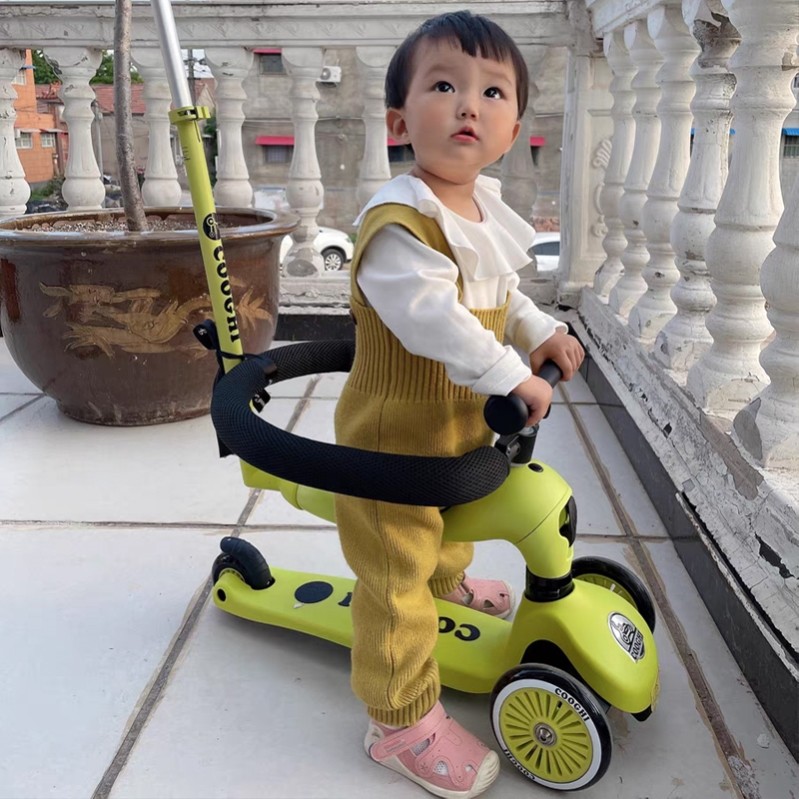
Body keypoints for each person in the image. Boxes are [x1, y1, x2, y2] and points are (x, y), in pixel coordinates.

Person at [333, 11, 585, 798]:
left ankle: (446, 586)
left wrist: (539, 332)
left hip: (452, 422)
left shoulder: (478, 211)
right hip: (389, 437)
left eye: (492, 92)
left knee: (445, 522)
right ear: (399, 123)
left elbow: (502, 294)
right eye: (444, 86)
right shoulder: (398, 224)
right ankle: (397, 719)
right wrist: (511, 373)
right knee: (394, 572)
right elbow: (433, 318)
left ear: (511, 129)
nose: (468, 104)